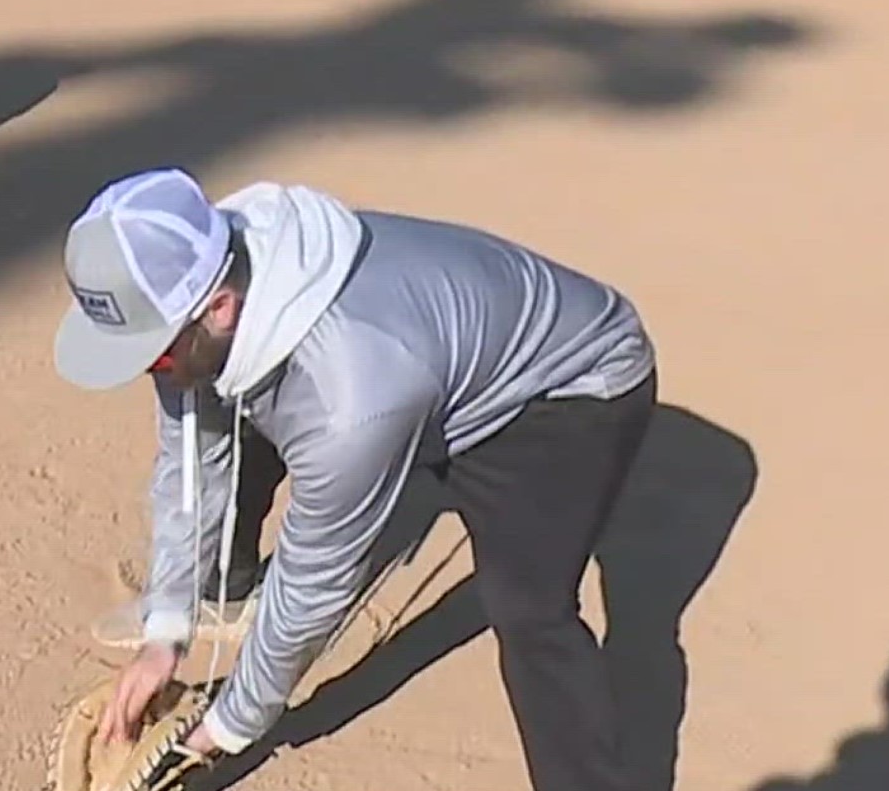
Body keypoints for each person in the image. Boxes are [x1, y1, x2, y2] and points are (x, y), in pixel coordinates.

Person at [53, 167, 657, 791]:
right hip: (428, 369)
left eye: (151, 356)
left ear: (220, 307)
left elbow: (314, 584)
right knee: (225, 405)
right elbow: (191, 463)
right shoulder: (208, 273)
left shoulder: (351, 401)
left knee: (529, 608)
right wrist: (166, 634)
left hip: (567, 391)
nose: (150, 371)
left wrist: (220, 731)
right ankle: (225, 593)